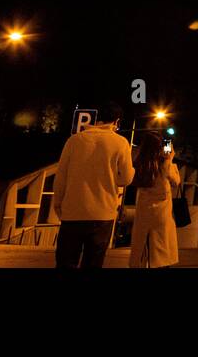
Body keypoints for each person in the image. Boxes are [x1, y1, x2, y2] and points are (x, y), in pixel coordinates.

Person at [54, 108, 134, 269]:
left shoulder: (74, 140)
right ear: (116, 122)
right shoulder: (120, 143)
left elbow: (61, 176)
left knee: (66, 262)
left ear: (97, 119)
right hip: (102, 214)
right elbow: (126, 178)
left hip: (72, 212)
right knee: (93, 262)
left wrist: (58, 204)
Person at [128, 132, 180, 268]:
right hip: (161, 215)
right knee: (161, 253)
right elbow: (176, 181)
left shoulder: (139, 163)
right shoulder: (164, 164)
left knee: (142, 250)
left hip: (143, 212)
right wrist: (170, 158)